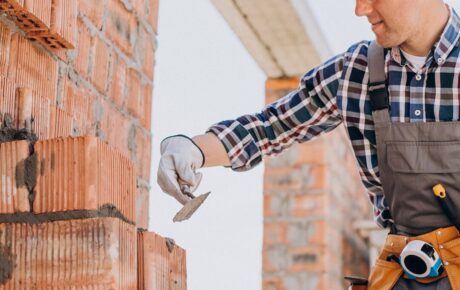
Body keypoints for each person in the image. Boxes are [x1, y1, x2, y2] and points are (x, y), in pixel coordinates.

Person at [157, 0, 460, 289]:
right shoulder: (358, 71)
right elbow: (272, 126)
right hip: (404, 275)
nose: (360, 10)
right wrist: (192, 148)